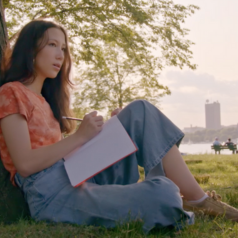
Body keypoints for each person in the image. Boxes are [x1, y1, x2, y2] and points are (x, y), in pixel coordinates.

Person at [0, 20, 238, 234]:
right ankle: (179, 196)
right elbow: (26, 164)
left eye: (63, 48)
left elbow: (60, 153)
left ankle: (199, 200)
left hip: (72, 172)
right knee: (163, 194)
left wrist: (113, 129)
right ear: (31, 49)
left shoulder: (45, 102)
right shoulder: (11, 92)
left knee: (139, 113)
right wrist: (80, 137)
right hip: (49, 194)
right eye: (52, 45)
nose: (60, 55)